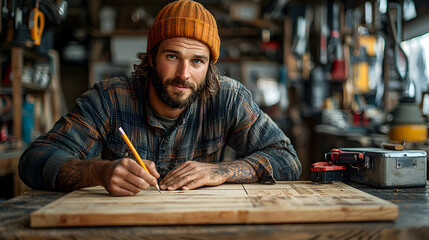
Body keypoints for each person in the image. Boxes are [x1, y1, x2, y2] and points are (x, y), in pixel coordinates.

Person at [19, 0, 301, 196]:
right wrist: (99, 172)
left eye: (197, 61)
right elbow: (34, 161)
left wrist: (222, 171)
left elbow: (287, 159)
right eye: (172, 56)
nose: (183, 74)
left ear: (209, 66)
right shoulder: (109, 99)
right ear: (151, 57)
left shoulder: (228, 98)